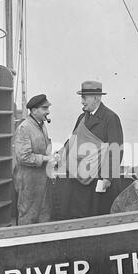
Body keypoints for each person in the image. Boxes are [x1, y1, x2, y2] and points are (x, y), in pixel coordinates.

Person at [60, 81, 124, 219]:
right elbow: (73, 141)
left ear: (96, 98)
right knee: (78, 215)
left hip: (99, 178)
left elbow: (116, 149)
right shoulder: (82, 118)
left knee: (98, 217)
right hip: (81, 176)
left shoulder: (110, 118)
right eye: (81, 97)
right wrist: (60, 154)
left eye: (85, 98)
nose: (81, 102)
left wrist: (108, 177)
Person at [13, 94, 55, 225]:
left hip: (42, 181)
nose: (48, 111)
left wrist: (52, 156)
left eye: (48, 108)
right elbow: (23, 157)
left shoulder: (41, 125)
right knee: (28, 216)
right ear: (34, 110)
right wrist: (46, 158)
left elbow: (43, 148)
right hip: (28, 182)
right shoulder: (24, 128)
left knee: (44, 214)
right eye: (44, 108)